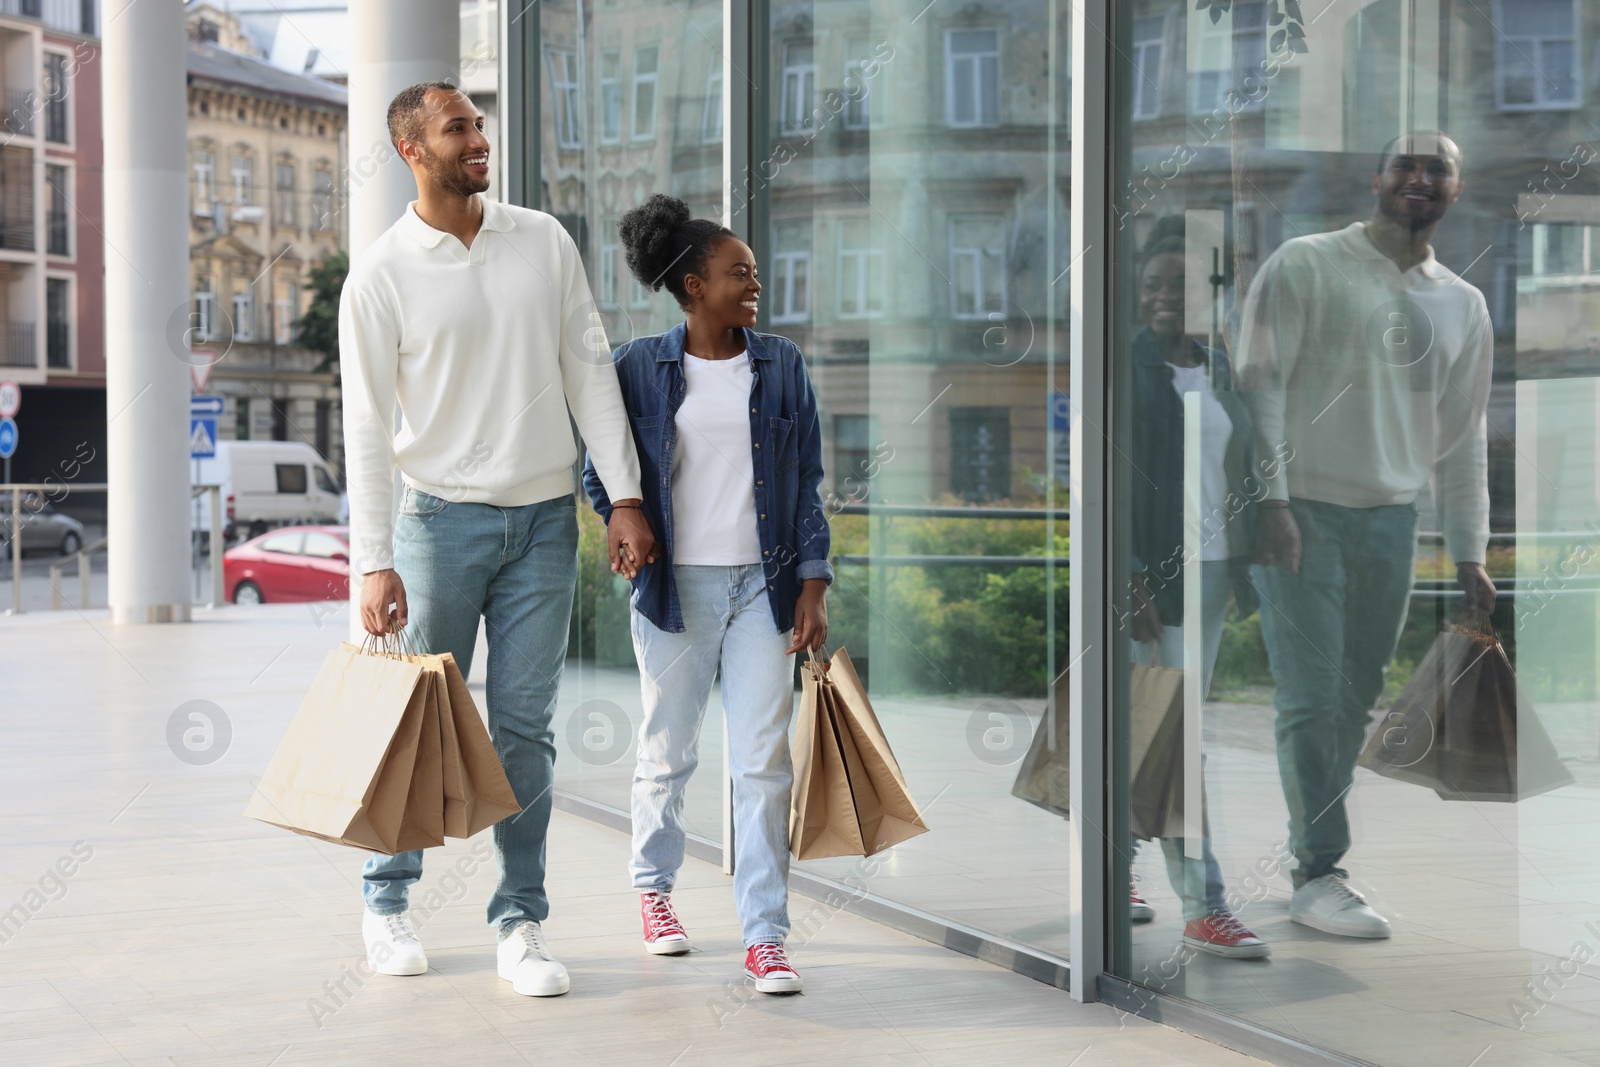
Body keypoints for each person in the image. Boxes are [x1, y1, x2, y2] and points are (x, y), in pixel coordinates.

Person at [339, 81, 656, 997]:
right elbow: (363, 425)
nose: (479, 139)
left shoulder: (542, 240)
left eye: (479, 125)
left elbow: (589, 368)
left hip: (545, 521)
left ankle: (520, 920)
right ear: (412, 149)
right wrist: (373, 558)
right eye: (458, 128)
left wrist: (623, 496)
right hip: (437, 523)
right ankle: (387, 898)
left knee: (525, 732)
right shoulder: (384, 272)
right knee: (415, 728)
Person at [1235, 131, 1495, 939]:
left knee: (1351, 702)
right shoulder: (1307, 262)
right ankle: (1320, 869)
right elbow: (1261, 385)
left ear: (1455, 188)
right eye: (1407, 164)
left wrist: (1470, 551)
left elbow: (1464, 436)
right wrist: (1271, 501)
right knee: (1312, 699)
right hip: (1302, 511)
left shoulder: (1462, 301)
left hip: (1391, 521)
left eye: (1438, 168)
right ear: (1377, 178)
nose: (1421, 177)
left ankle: (1312, 855)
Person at [583, 194, 832, 995]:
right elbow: (602, 468)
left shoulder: (782, 364)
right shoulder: (636, 366)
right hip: (677, 586)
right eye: (740, 273)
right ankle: (654, 893)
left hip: (767, 583)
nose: (754, 284)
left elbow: (809, 486)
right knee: (669, 749)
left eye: (753, 273)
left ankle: (765, 935)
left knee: (763, 761)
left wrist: (814, 583)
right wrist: (622, 519)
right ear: (693, 285)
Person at [1126, 224, 1269, 960]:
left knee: (1158, 729)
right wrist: (1125, 574)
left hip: (1212, 574)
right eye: (1150, 284)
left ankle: (1113, 869)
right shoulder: (1124, 368)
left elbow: (1242, 464)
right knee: (1178, 738)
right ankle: (1204, 904)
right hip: (1152, 578)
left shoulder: (1217, 370)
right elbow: (1100, 479)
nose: (1158, 297)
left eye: (1174, 287)